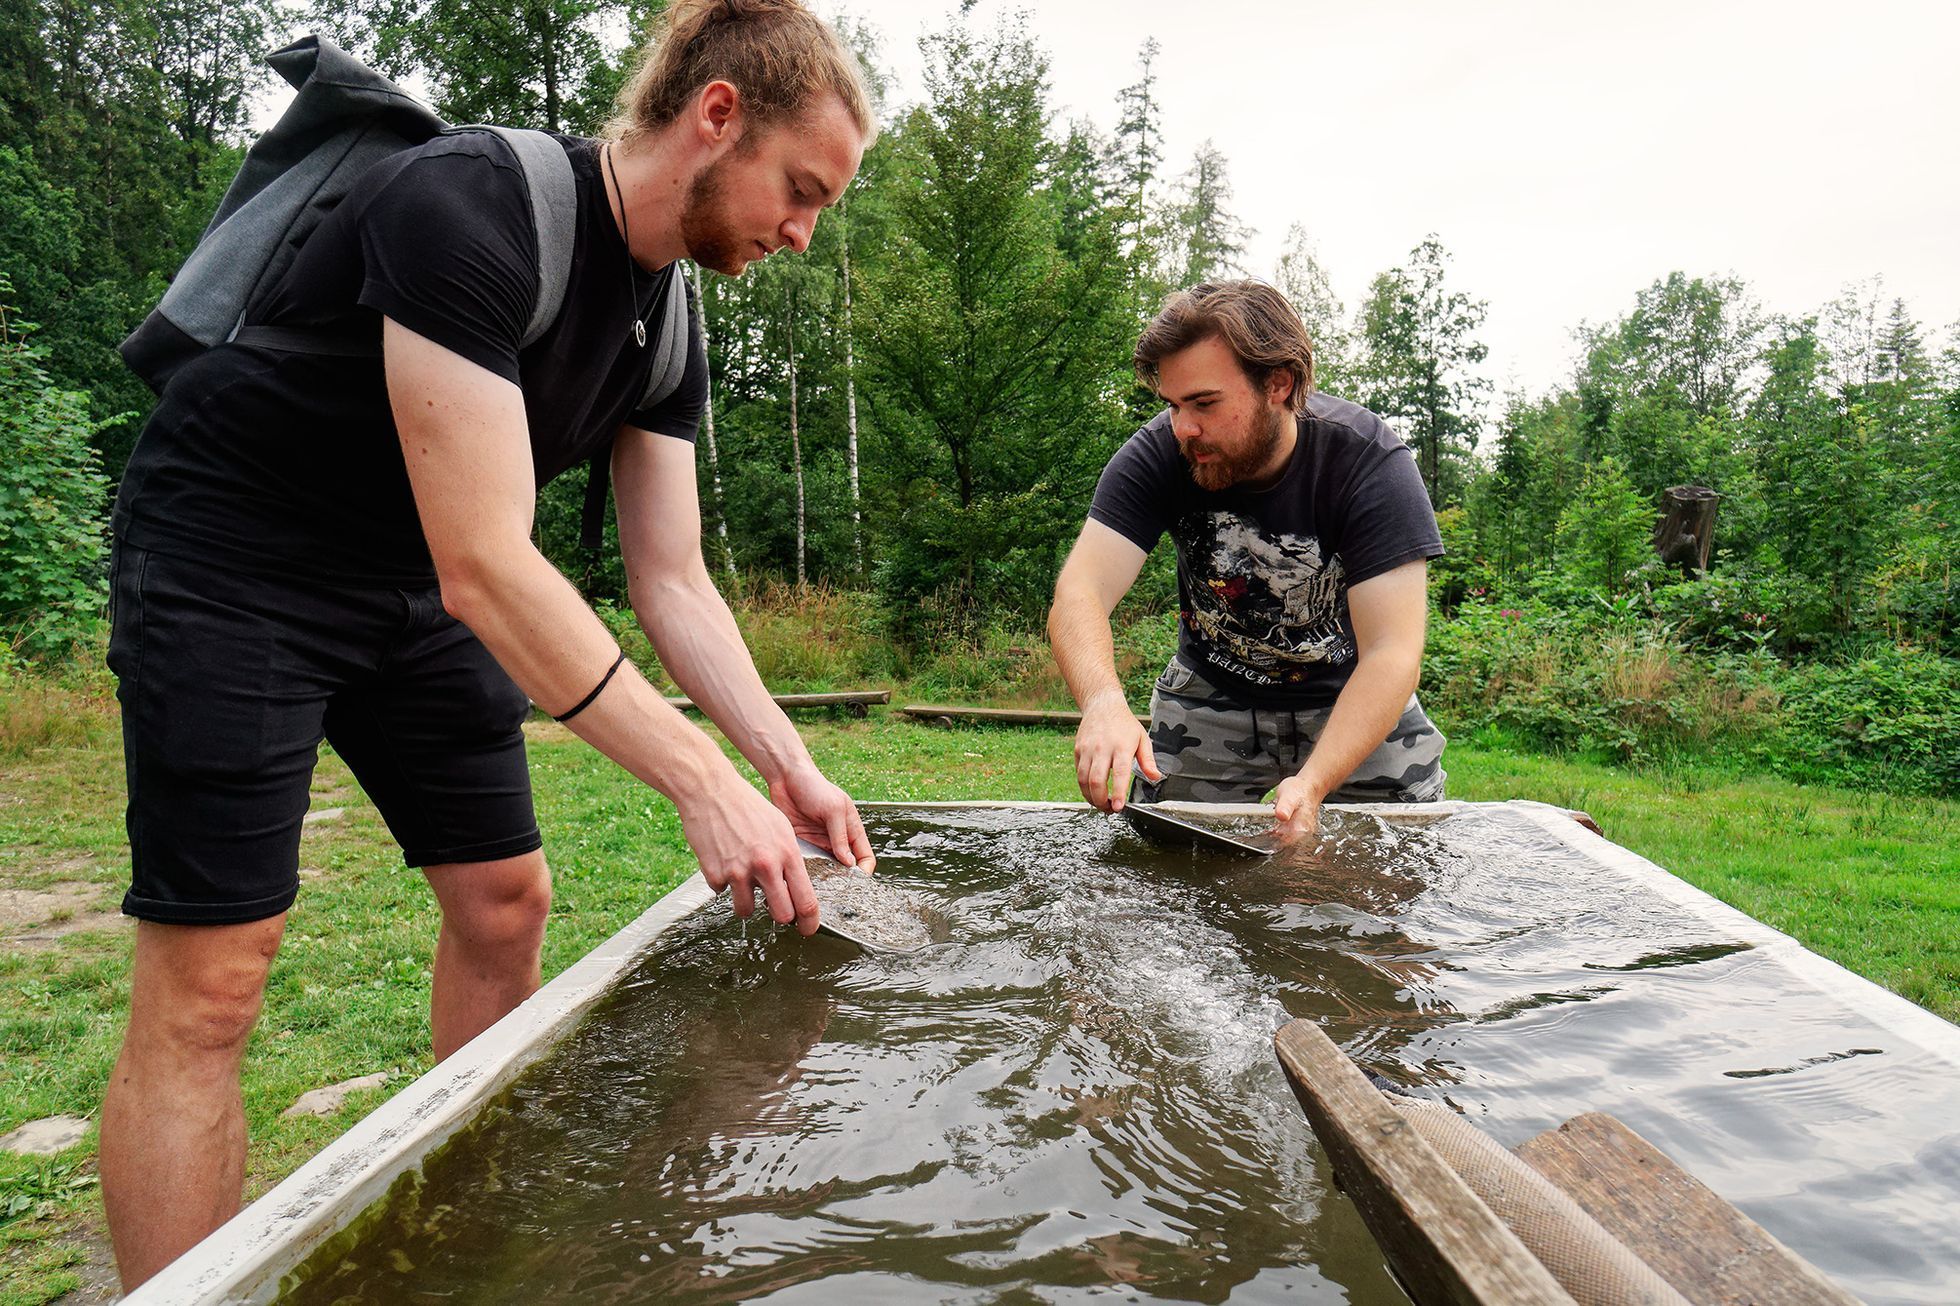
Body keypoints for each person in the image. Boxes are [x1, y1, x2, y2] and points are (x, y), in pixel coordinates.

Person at [97, 0, 877, 1288]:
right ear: (715, 115)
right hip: (236, 560)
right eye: (800, 191)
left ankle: (468, 1232)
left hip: (411, 583)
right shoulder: (469, 203)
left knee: (507, 901)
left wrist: (782, 764)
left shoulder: (670, 321)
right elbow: (489, 563)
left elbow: (672, 577)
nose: (801, 232)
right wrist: (700, 781)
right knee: (214, 980)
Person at [1048, 280, 1447, 843]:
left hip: (1350, 695)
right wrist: (1103, 700)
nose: (1183, 427)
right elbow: (1080, 591)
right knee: (1160, 868)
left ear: (1278, 384)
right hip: (1212, 688)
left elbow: (1393, 652)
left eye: (1205, 403)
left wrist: (1313, 782)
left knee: (1401, 863)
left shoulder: (1369, 462)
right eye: (1173, 405)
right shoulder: (1161, 451)